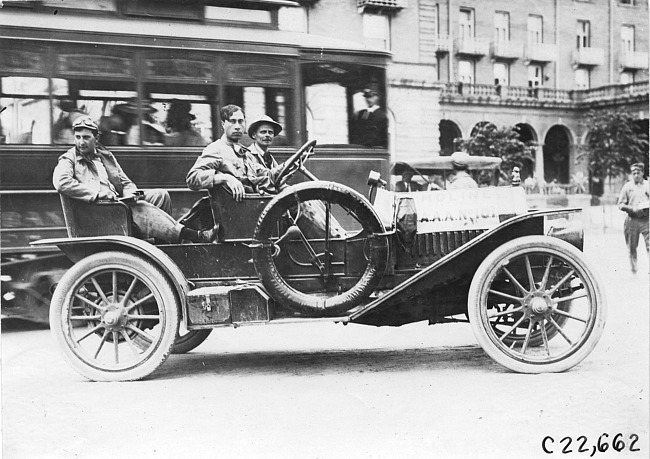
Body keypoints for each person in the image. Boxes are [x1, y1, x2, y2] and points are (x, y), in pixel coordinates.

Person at [53, 116, 216, 244]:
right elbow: (61, 182)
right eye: (78, 137)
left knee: (161, 195)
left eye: (86, 137)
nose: (81, 142)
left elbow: (126, 183)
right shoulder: (69, 159)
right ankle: (195, 235)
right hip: (99, 211)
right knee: (140, 207)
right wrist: (97, 194)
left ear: (96, 139)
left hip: (117, 204)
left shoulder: (106, 157)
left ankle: (163, 245)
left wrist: (131, 193)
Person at [187, 105, 283, 201]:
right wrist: (226, 178)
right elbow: (192, 178)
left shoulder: (245, 153)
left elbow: (265, 175)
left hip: (253, 206)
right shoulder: (216, 149)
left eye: (240, 121)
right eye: (232, 121)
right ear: (223, 124)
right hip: (235, 210)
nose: (237, 126)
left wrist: (290, 166)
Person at [617, 162, 649, 273]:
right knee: (632, 246)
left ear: (642, 173)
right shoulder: (627, 187)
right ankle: (634, 269)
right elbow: (620, 205)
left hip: (646, 220)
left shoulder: (648, 185)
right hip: (632, 220)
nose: (636, 175)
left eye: (638, 172)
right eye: (634, 173)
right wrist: (631, 208)